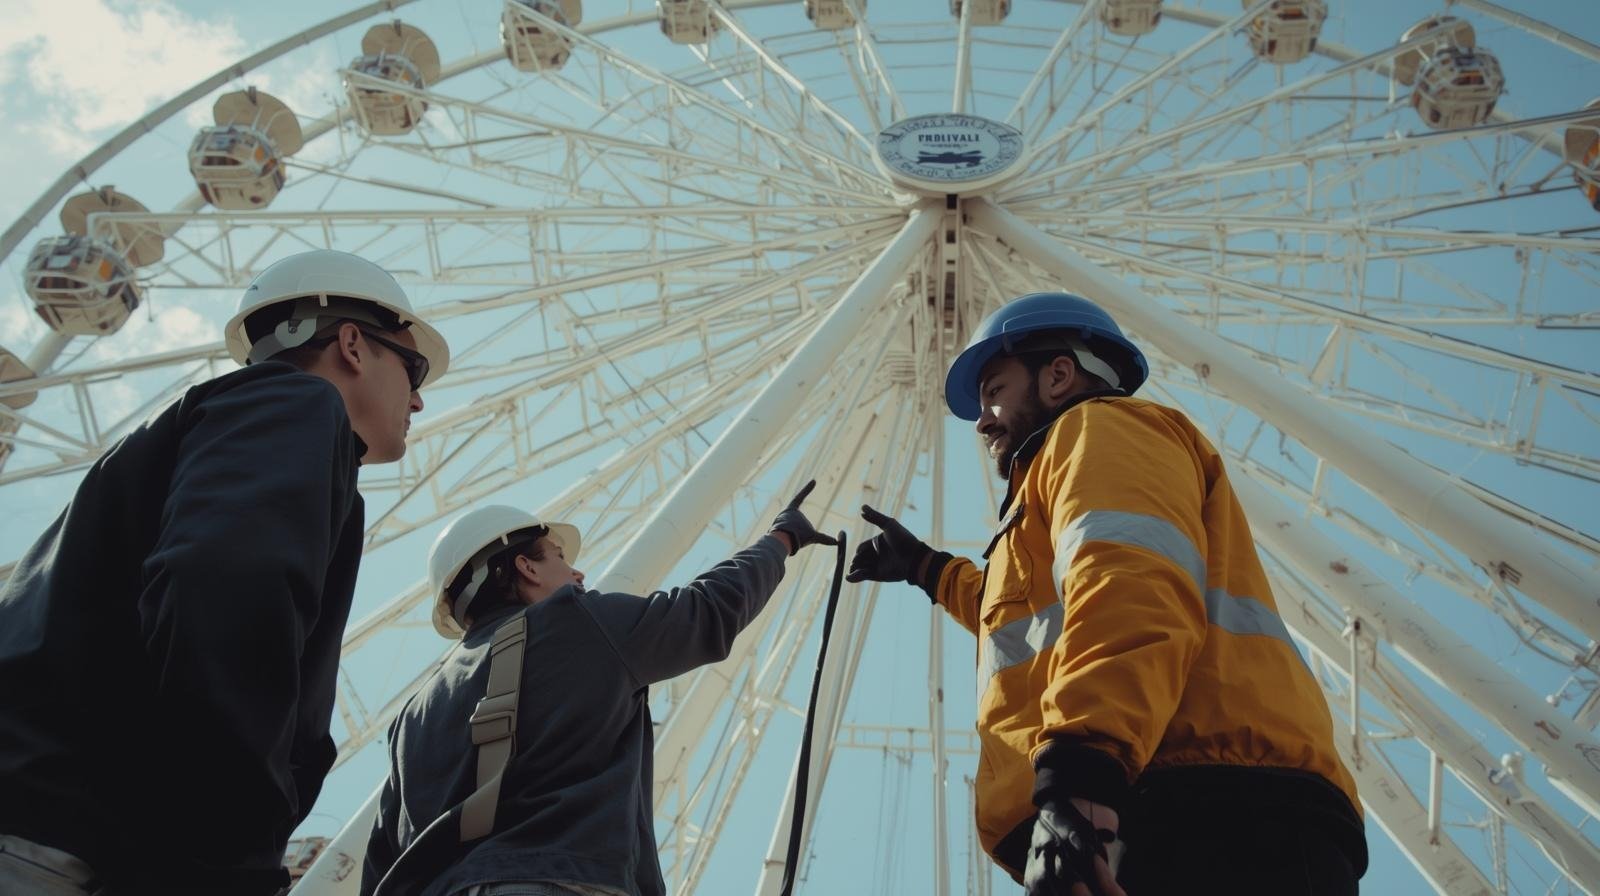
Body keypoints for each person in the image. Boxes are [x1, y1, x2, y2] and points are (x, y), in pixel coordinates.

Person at [848, 292, 1366, 895]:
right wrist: (926, 569)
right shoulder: (1054, 477)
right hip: (1151, 787)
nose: (982, 418)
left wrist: (1082, 773)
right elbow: (1026, 617)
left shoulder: (1101, 428)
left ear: (1058, 375)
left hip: (1198, 802)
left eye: (994, 390)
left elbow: (1128, 584)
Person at [0, 249, 450, 895]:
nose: (420, 399)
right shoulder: (294, 404)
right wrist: (223, 857)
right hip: (65, 846)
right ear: (352, 344)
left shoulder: (183, 436)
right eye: (412, 367)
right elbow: (227, 592)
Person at [360, 483, 837, 896]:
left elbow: (384, 857)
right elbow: (707, 611)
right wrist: (781, 540)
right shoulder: (576, 622)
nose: (578, 574)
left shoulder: (413, 716)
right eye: (562, 558)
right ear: (525, 567)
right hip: (549, 877)